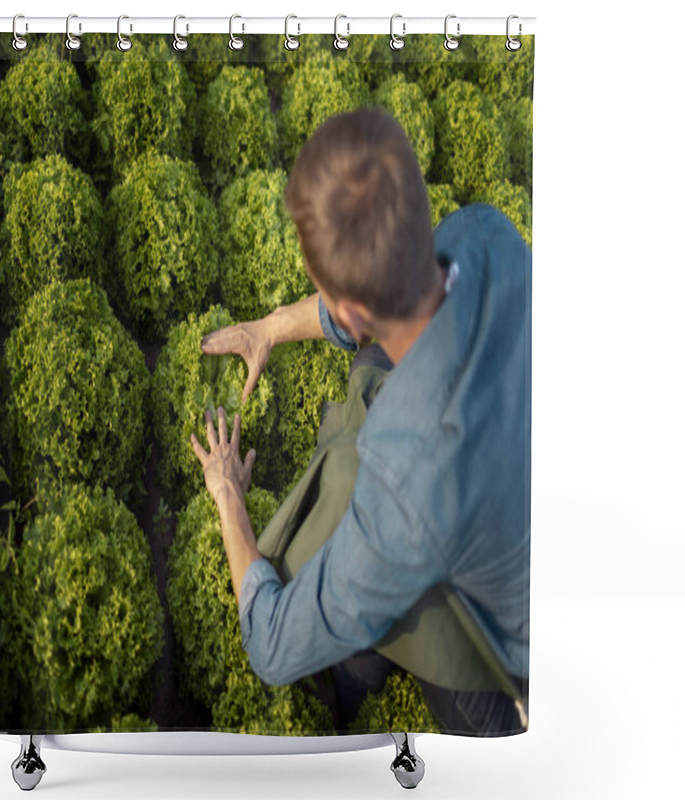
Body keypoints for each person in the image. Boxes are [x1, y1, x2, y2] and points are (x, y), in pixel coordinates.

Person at [189, 108, 531, 735]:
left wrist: (227, 495)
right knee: (376, 366)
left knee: (351, 537)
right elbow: (375, 296)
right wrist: (271, 328)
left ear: (349, 312)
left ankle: (349, 678)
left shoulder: (402, 484)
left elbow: (269, 644)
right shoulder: (485, 235)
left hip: (521, 670)